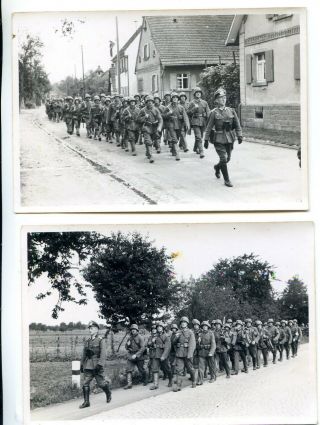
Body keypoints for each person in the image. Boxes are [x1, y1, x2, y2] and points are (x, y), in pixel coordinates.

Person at [204, 88, 242, 187]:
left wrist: (240, 135)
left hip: (230, 138)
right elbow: (208, 127)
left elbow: (237, 124)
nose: (223, 100)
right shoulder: (213, 113)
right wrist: (206, 139)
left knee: (227, 158)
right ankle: (227, 180)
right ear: (216, 101)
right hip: (219, 138)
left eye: (224, 98)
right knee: (223, 158)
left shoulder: (231, 111)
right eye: (220, 98)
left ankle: (217, 167)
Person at [79, 321, 111, 408]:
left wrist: (100, 365)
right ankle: (86, 402)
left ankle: (108, 392)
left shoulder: (101, 340)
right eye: (89, 328)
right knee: (85, 383)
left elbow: (103, 354)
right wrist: (81, 365)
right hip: (88, 365)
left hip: (97, 365)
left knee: (101, 384)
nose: (90, 330)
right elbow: (84, 354)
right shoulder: (87, 341)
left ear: (97, 330)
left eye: (92, 328)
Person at [162, 92, 190, 161]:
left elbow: (185, 116)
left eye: (176, 98)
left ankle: (173, 150)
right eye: (173, 97)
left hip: (179, 125)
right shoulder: (168, 107)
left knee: (176, 139)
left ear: (178, 99)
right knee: (174, 139)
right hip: (171, 125)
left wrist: (187, 124)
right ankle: (177, 155)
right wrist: (169, 113)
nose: (175, 99)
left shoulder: (181, 107)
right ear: (172, 99)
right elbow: (163, 116)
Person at [172, 316, 196, 391]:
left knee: (190, 369)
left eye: (184, 322)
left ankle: (194, 380)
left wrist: (190, 354)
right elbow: (173, 342)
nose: (183, 324)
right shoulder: (178, 332)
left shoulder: (190, 332)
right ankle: (178, 386)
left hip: (187, 353)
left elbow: (192, 344)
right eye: (182, 322)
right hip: (179, 353)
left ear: (187, 324)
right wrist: (176, 337)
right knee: (179, 370)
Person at [137, 95, 163, 163]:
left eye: (151, 101)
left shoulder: (156, 110)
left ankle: (148, 152)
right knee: (148, 142)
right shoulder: (143, 110)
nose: (150, 103)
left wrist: (159, 127)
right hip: (146, 127)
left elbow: (160, 119)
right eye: (148, 102)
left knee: (154, 141)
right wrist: (144, 117)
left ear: (153, 102)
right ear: (146, 102)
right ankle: (151, 156)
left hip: (154, 128)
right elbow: (138, 119)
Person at [147, 322, 172, 390]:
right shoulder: (154, 336)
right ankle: (155, 385)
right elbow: (148, 345)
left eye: (160, 327)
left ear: (163, 328)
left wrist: (163, 356)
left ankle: (170, 380)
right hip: (155, 355)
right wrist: (152, 342)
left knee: (167, 369)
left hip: (163, 355)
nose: (159, 328)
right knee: (154, 369)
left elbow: (167, 347)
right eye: (158, 327)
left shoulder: (166, 336)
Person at [187, 87, 210, 158]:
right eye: (197, 93)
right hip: (195, 121)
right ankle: (201, 151)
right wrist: (194, 109)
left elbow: (208, 111)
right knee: (198, 137)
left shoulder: (204, 102)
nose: (198, 94)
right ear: (194, 94)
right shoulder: (191, 103)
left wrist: (207, 116)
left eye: (199, 92)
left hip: (203, 121)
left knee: (200, 136)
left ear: (201, 94)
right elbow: (188, 112)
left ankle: (195, 148)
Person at [124, 324, 148, 389]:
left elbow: (143, 348)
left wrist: (136, 355)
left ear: (137, 330)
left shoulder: (140, 337)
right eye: (132, 330)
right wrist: (127, 345)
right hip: (131, 355)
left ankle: (145, 379)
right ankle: (129, 384)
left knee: (141, 370)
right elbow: (126, 347)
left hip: (139, 356)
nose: (133, 331)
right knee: (129, 369)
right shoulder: (129, 338)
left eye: (134, 330)